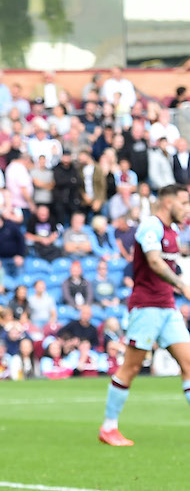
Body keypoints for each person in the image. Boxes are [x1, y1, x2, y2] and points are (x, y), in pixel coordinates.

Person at [100, 184, 190, 446]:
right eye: (183, 203)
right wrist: (182, 285)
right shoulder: (151, 225)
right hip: (147, 307)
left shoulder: (173, 232)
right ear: (167, 202)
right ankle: (108, 427)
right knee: (131, 367)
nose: (187, 209)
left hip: (167, 307)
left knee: (189, 364)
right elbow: (152, 261)